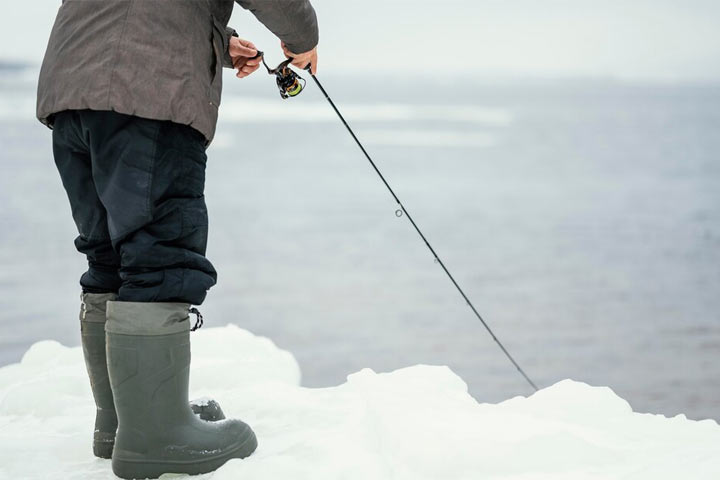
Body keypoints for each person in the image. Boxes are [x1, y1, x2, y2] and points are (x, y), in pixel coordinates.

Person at [36, 0, 319, 478]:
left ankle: (125, 420)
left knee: (108, 255)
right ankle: (154, 437)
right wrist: (303, 38)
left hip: (72, 91)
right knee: (157, 256)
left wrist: (218, 42)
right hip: (148, 94)